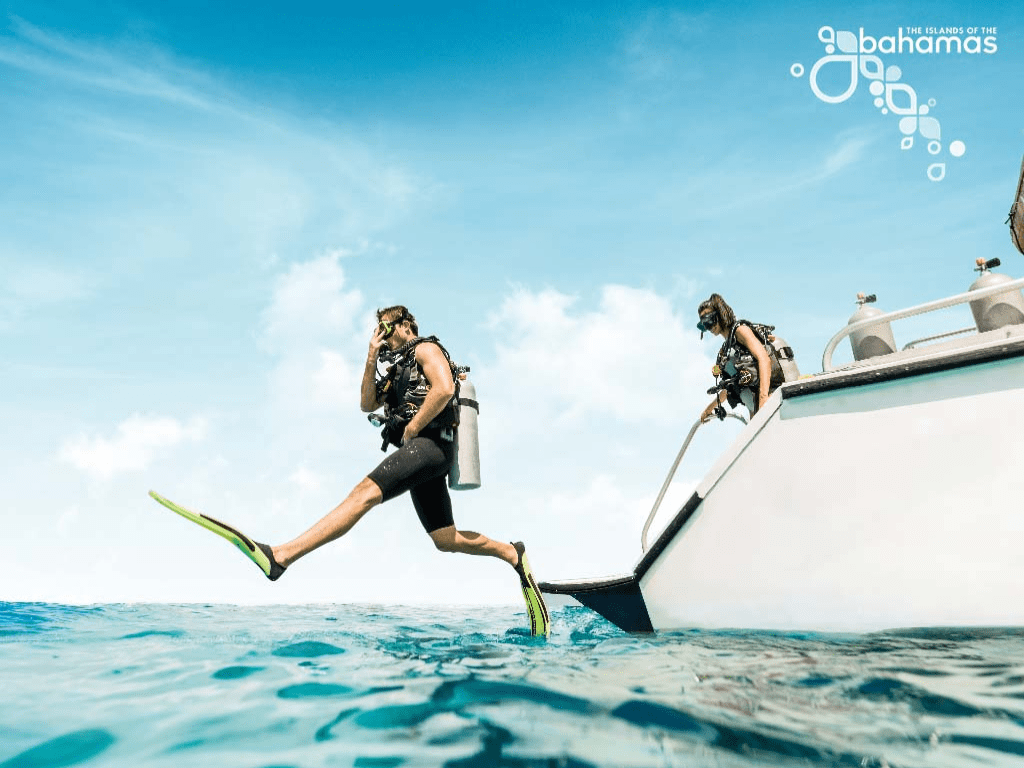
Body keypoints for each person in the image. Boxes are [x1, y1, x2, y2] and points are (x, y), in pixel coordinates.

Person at [153, 305, 550, 636]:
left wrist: (412, 427)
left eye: (385, 328)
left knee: (363, 494)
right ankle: (513, 555)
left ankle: (282, 556)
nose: (382, 334)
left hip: (432, 446)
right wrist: (371, 356)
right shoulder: (393, 368)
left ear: (404, 324)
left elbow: (444, 388)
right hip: (423, 453)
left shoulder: (426, 348)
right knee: (444, 539)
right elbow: (365, 403)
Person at [696, 294, 791, 423]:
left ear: (719, 314)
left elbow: (764, 359)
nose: (709, 327)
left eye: (709, 320)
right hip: (756, 414)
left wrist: (763, 401)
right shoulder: (726, 351)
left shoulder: (740, 331)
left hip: (771, 404)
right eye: (704, 324)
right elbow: (729, 387)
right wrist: (709, 409)